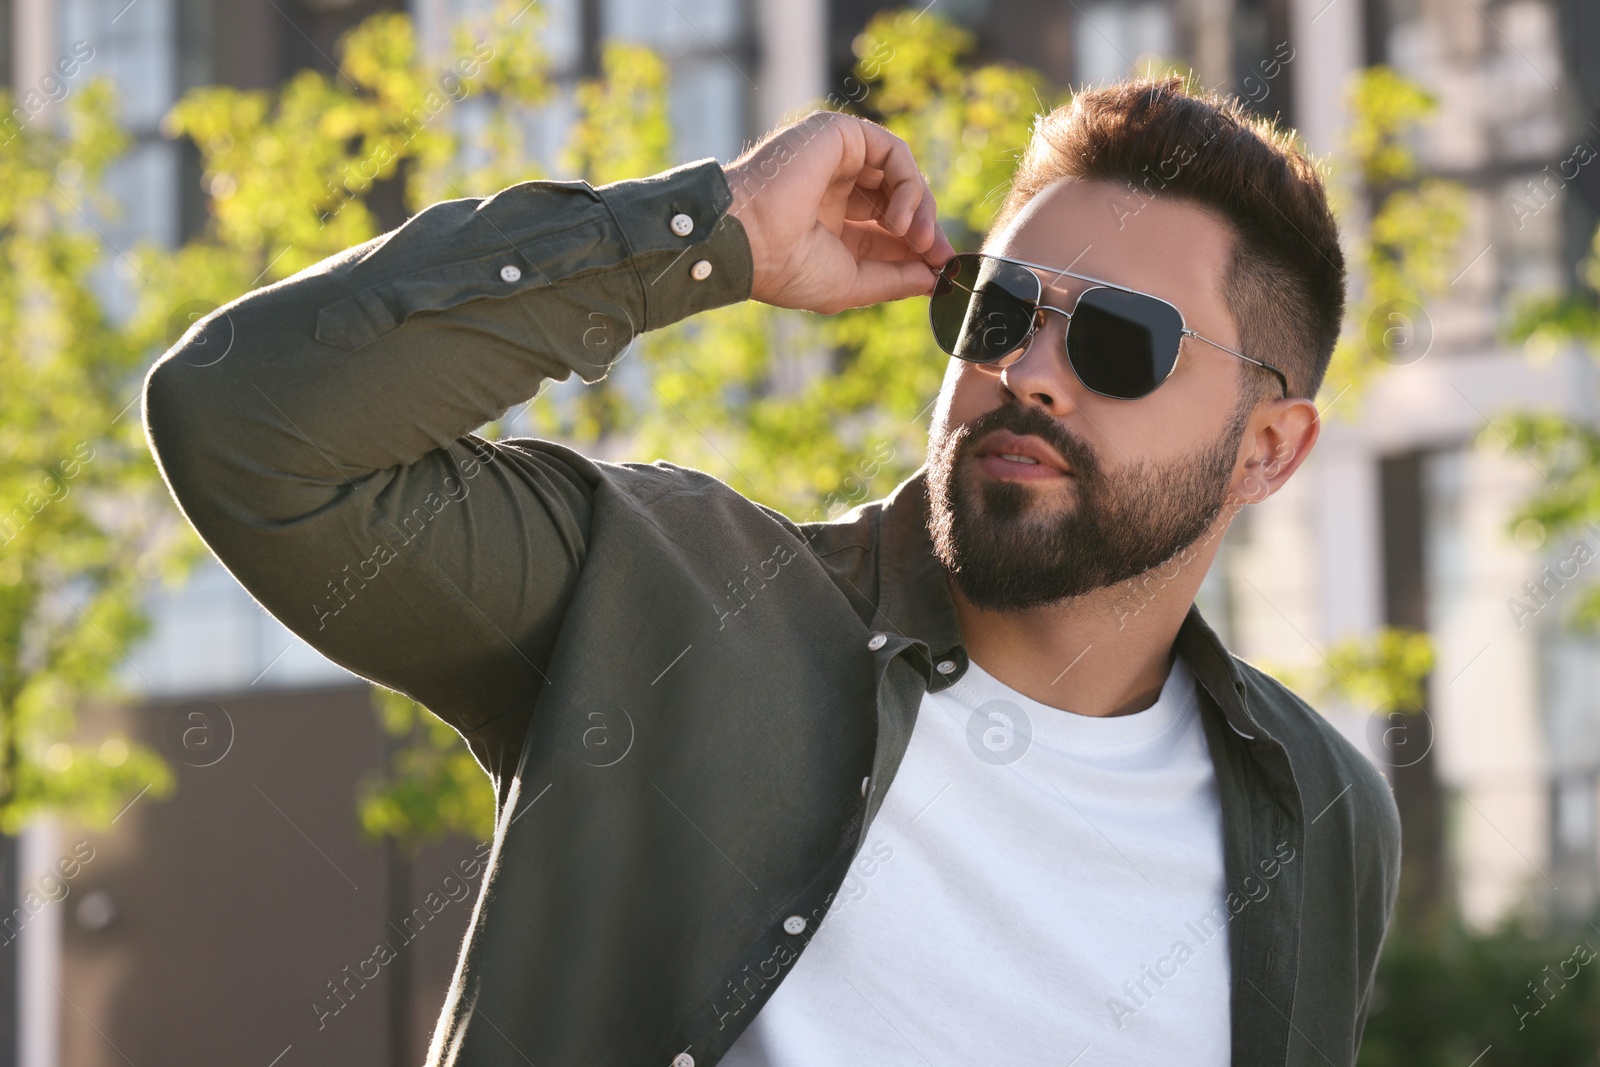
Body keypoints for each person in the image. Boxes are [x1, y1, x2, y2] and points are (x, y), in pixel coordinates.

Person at [143, 77, 1400, 1067]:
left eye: (1123, 338)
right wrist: (716, 232)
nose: (1026, 370)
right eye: (996, 309)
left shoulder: (1322, 809)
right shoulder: (666, 595)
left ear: (1268, 451)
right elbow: (247, 425)